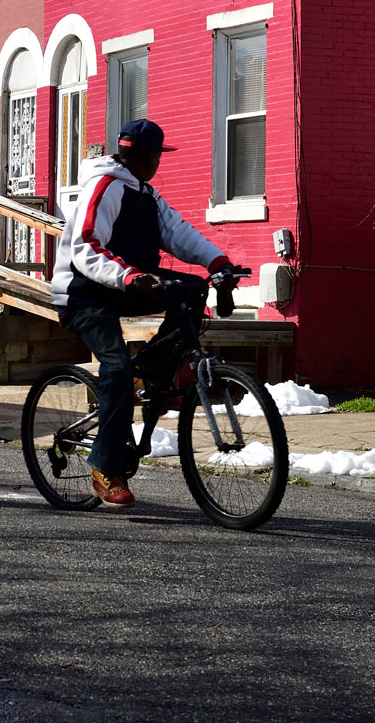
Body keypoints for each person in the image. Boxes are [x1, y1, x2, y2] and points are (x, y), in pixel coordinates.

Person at [51, 119, 233, 509]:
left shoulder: (146, 195)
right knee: (115, 367)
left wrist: (218, 262)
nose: (153, 163)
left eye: (156, 157)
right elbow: (85, 247)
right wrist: (129, 276)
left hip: (129, 284)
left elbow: (179, 233)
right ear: (130, 154)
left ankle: (149, 371)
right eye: (148, 156)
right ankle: (104, 468)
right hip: (84, 294)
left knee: (190, 290)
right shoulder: (105, 185)